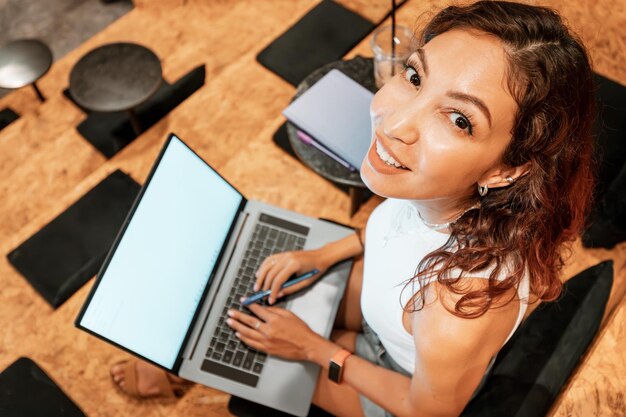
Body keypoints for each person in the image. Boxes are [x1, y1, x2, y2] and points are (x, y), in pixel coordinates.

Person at [111, 1, 596, 415]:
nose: (395, 123)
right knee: (248, 293)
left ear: (506, 170)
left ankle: (167, 380)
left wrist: (314, 348)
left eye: (459, 119)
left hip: (395, 384)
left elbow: (426, 410)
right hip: (387, 317)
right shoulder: (439, 189)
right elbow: (393, 228)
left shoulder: (458, 308)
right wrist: (322, 254)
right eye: (414, 76)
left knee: (245, 349)